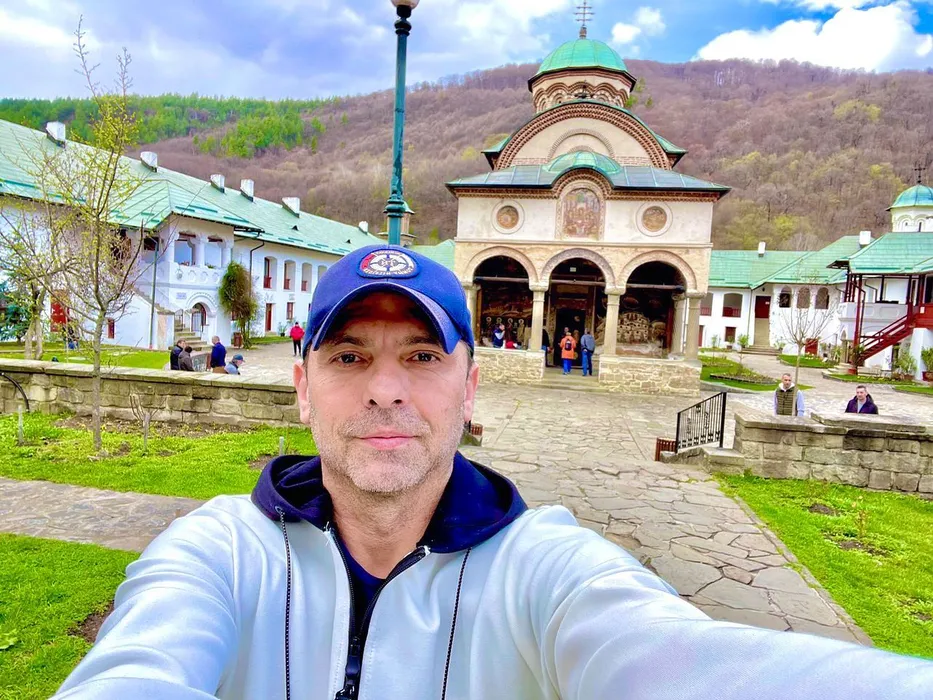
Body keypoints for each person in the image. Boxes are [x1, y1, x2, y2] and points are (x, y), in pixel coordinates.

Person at [54, 244, 933, 700]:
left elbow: (682, 664)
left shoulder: (542, 571)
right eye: (350, 357)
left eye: (423, 356)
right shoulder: (219, 552)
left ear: (469, 386)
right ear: (302, 387)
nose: (386, 390)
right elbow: (136, 668)